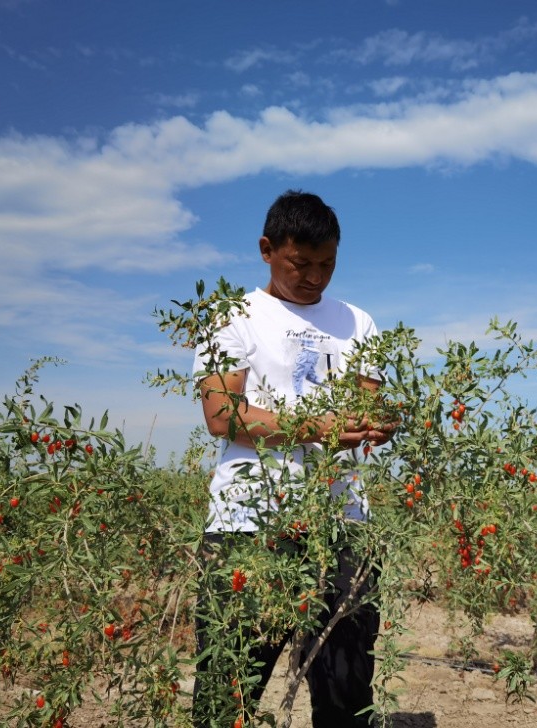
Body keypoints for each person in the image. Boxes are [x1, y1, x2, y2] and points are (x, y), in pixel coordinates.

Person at [191, 190, 392, 728]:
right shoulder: (233, 317)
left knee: (347, 687)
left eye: (327, 264)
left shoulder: (360, 323)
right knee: (228, 688)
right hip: (248, 522)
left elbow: (367, 408)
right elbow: (222, 414)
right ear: (266, 249)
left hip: (343, 521)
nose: (314, 277)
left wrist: (379, 423)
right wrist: (317, 427)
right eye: (300, 264)